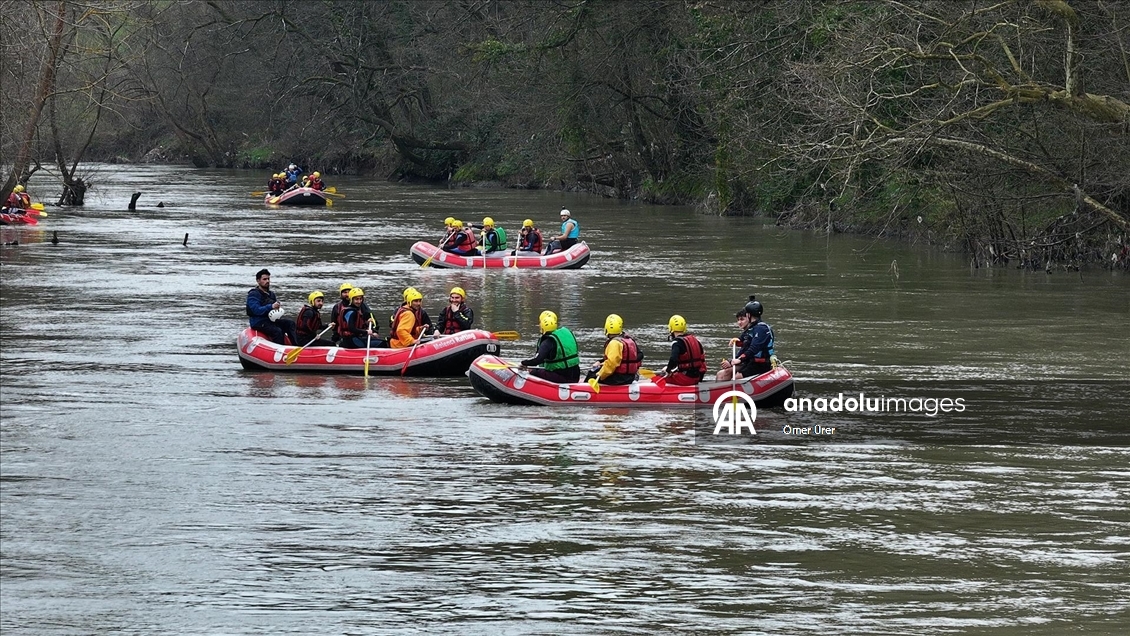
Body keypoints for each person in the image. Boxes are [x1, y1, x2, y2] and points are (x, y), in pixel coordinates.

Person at [716, 296, 777, 381]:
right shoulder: (751, 328)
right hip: (750, 362)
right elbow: (744, 344)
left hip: (761, 364)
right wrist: (737, 342)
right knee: (721, 374)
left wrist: (739, 360)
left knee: (737, 377)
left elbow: (754, 348)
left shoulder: (762, 329)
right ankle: (719, 389)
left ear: (748, 315)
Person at [519, 310, 581, 383]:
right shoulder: (565, 334)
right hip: (575, 375)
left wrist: (523, 363)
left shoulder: (547, 342)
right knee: (539, 369)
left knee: (534, 372)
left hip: (562, 377)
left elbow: (538, 360)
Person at [585, 313, 643, 385]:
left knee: (591, 374)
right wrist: (600, 362)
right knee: (597, 369)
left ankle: (583, 390)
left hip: (618, 379)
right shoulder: (629, 340)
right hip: (630, 377)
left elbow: (611, 364)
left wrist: (600, 374)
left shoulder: (614, 343)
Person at [246, 268, 299, 346]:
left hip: (271, 320)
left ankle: (296, 346)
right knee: (277, 331)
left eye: (268, 279)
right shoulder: (253, 295)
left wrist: (277, 309)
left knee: (290, 323)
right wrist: (271, 306)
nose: (267, 281)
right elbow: (256, 310)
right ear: (258, 281)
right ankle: (280, 349)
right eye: (264, 279)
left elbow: (273, 310)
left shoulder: (271, 294)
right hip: (259, 322)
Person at [655, 315, 707, 385]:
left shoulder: (676, 342)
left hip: (686, 379)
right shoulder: (695, 340)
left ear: (671, 328)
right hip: (697, 378)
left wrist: (668, 370)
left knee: (656, 379)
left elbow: (673, 359)